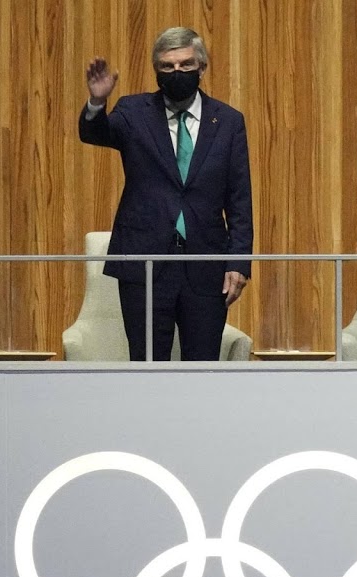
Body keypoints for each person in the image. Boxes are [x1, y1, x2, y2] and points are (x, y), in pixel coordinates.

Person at [80, 27, 253, 360]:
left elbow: (239, 199)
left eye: (185, 65)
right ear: (156, 70)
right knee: (147, 366)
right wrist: (97, 102)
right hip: (145, 263)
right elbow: (95, 133)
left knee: (202, 368)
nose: (177, 72)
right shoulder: (133, 112)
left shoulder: (228, 121)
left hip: (206, 264)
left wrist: (238, 261)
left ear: (202, 67)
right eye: (167, 66)